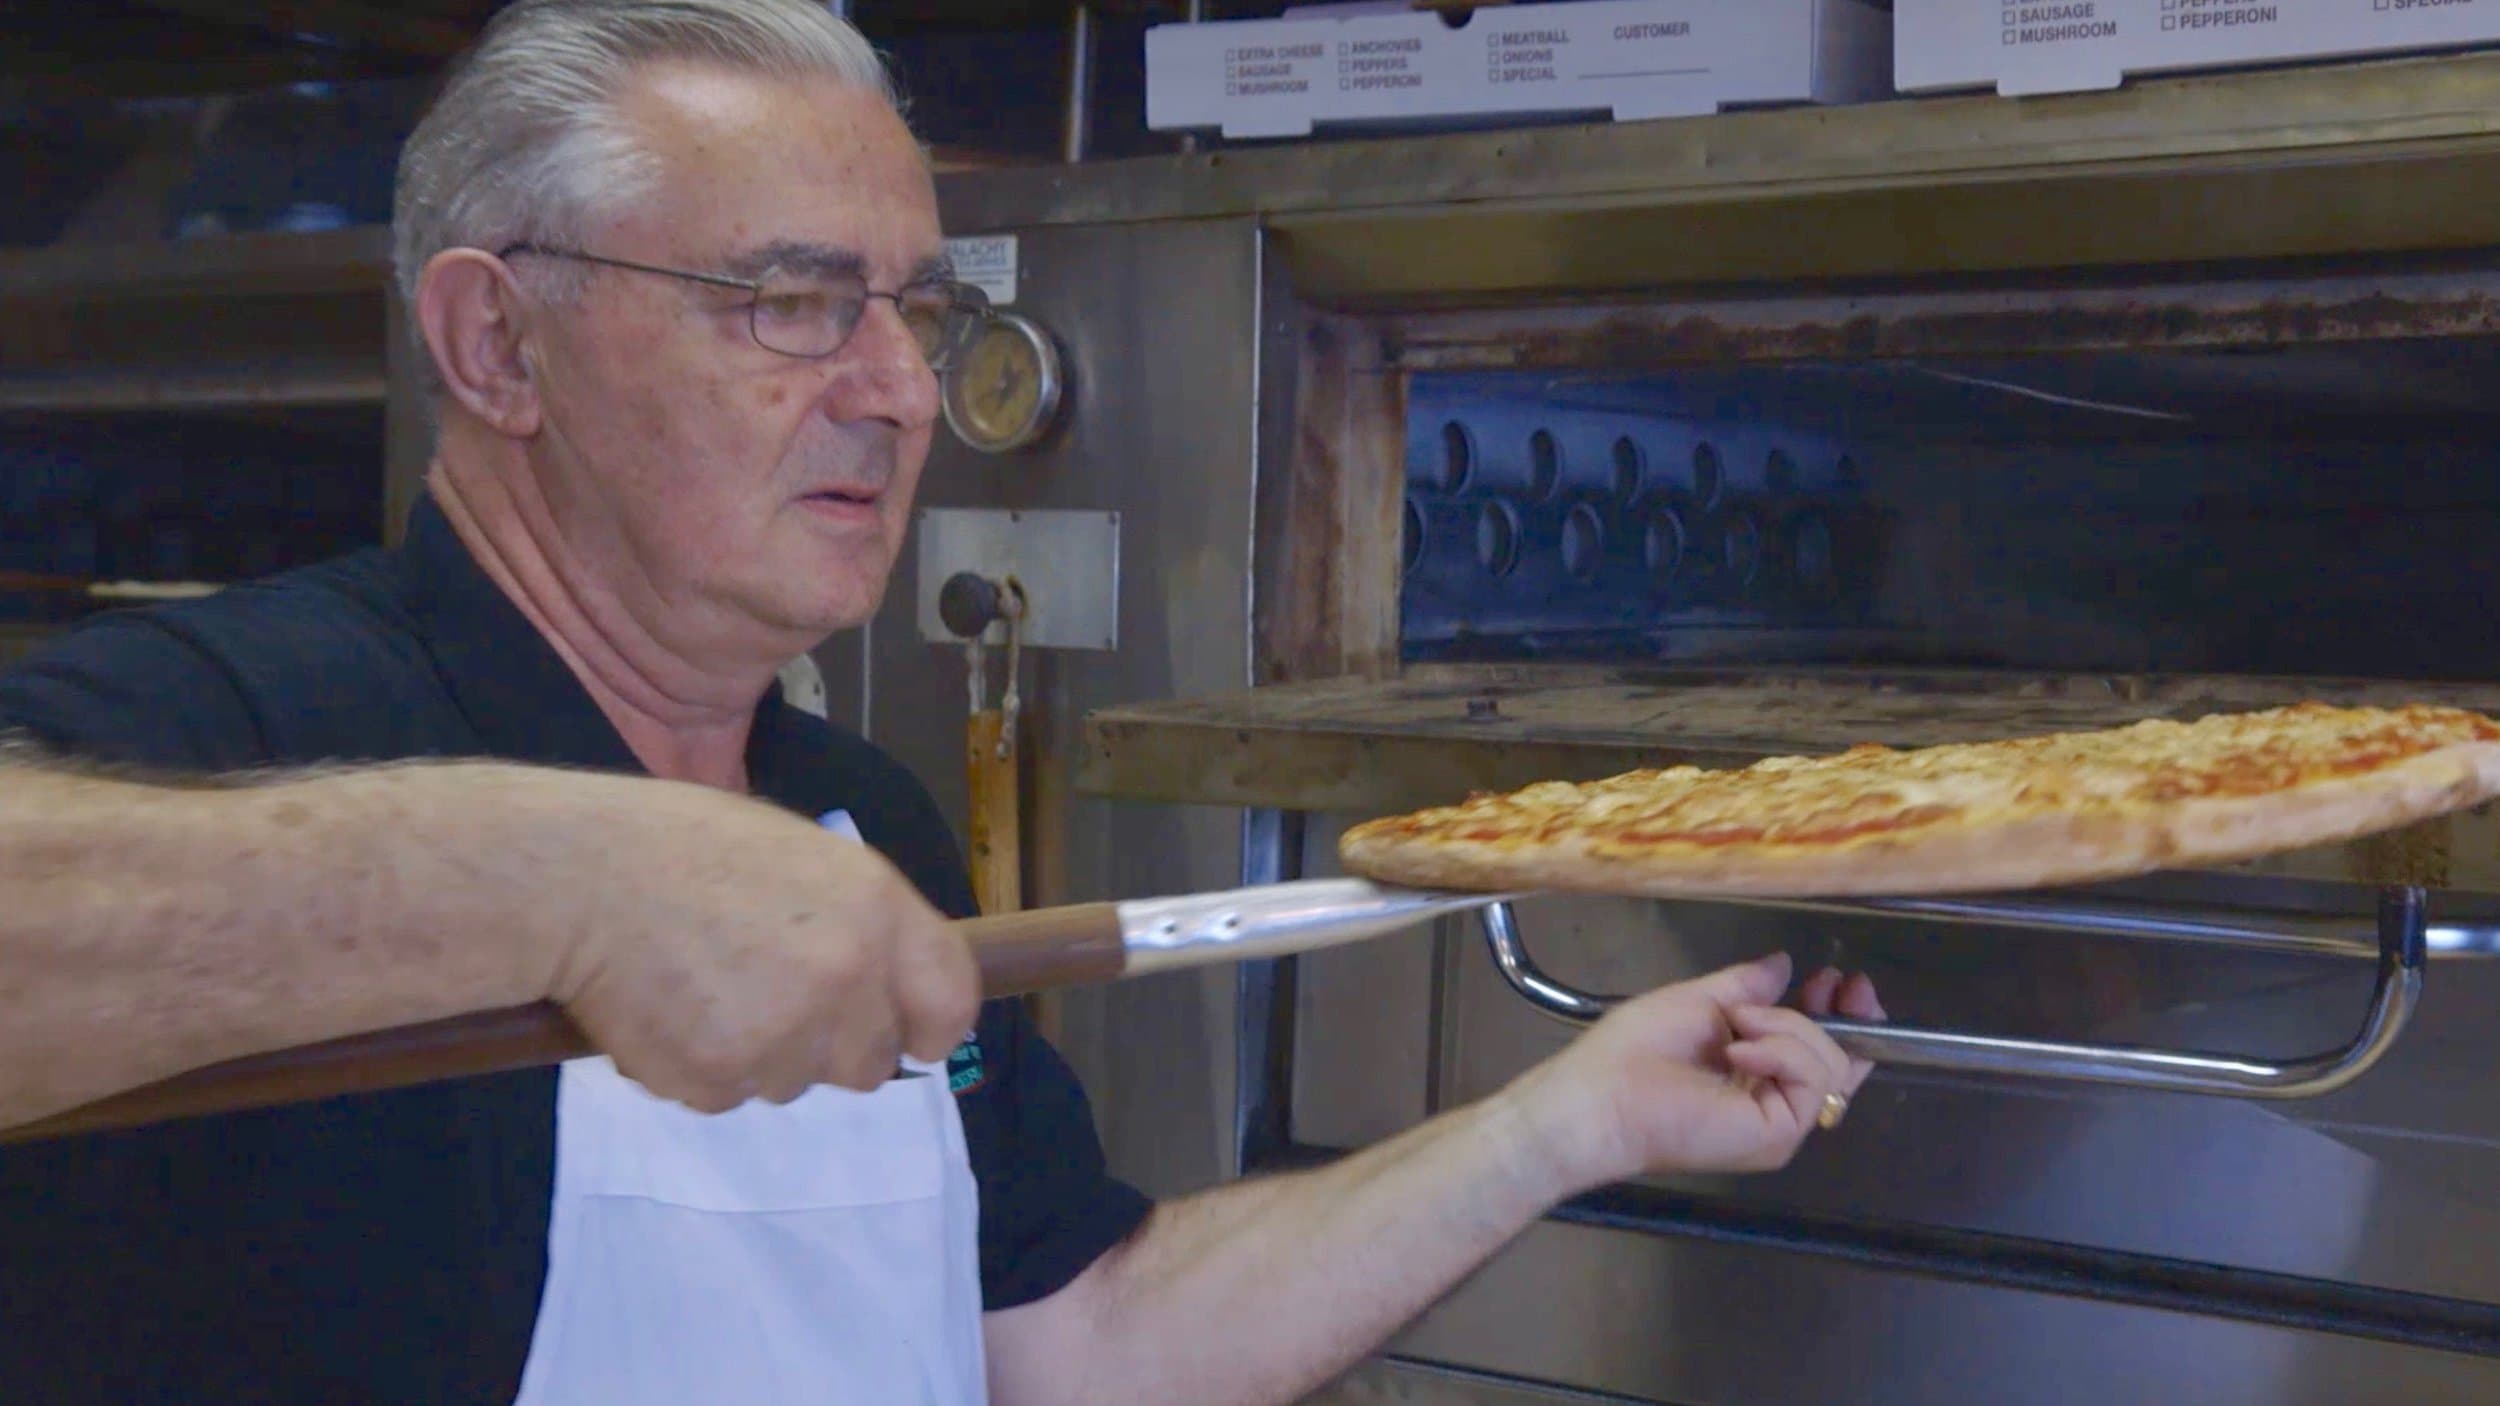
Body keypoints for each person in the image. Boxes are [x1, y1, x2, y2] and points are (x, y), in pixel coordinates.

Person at [0, 3, 1886, 1403]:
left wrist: (1568, 1120)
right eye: (795, 304)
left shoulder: (855, 813)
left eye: (918, 308)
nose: (902, 388)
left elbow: (1075, 1335)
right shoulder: (244, 712)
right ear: (499, 344)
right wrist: (558, 869)